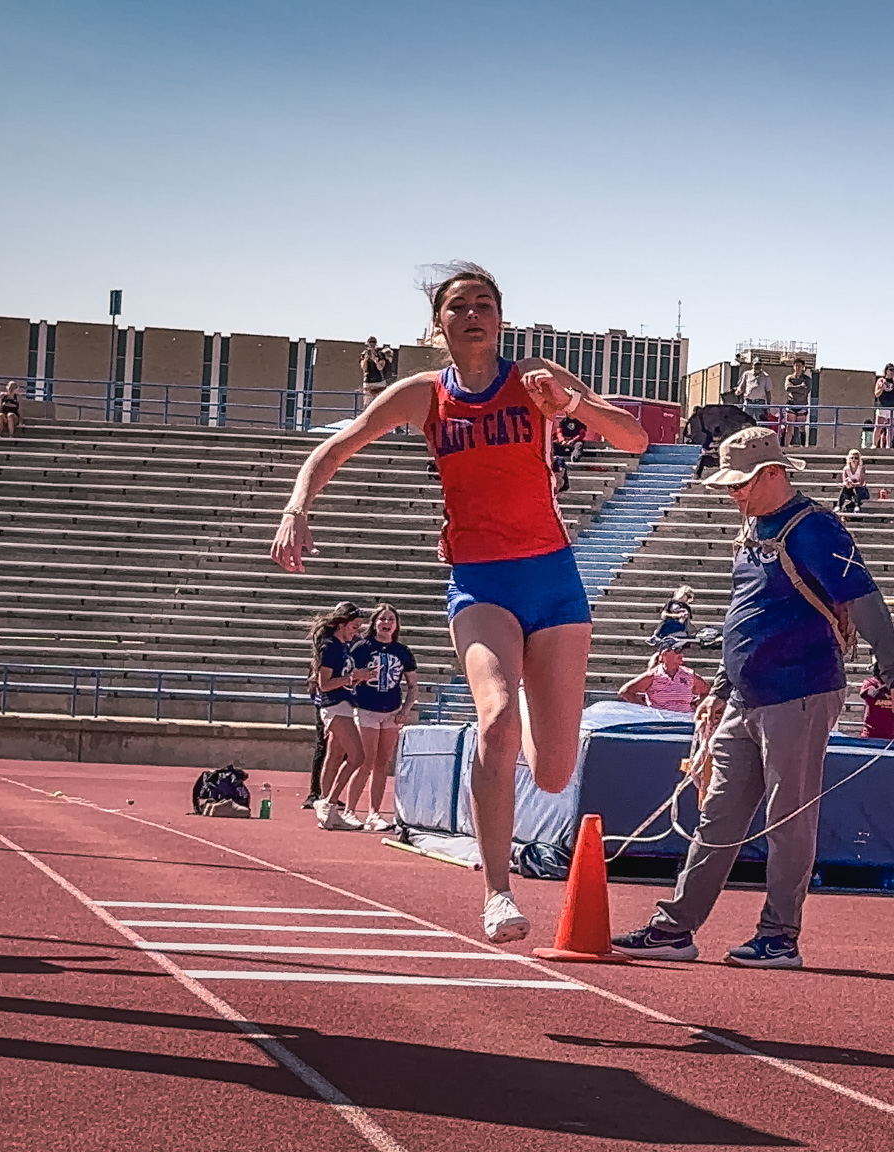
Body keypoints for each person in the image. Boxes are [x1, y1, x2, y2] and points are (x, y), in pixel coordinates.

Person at [271, 261, 649, 942]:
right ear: (438, 324)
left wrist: (573, 408)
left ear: (500, 319)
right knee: (496, 719)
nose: (472, 314)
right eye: (458, 306)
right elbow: (337, 446)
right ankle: (497, 893)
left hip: (554, 578)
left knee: (557, 773)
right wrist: (298, 507)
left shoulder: (535, 377)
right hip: (481, 582)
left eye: (484, 304)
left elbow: (635, 438)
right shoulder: (421, 395)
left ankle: (527, 698)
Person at [612, 427, 894, 968]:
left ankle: (780, 935)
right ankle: (676, 928)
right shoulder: (754, 526)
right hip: (746, 695)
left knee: (789, 819)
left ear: (774, 473)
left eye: (741, 483)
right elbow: (746, 612)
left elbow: (866, 602)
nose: (733, 493)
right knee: (719, 814)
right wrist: (723, 685)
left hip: (799, 691)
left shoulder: (816, 528)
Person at [338, 602, 417, 832]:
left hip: (391, 712)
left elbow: (413, 685)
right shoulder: (362, 647)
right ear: (374, 623)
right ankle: (350, 811)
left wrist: (405, 710)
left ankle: (374, 813)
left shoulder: (402, 651)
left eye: (390, 619)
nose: (386, 623)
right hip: (366, 710)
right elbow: (346, 675)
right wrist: (357, 679)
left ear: (396, 625)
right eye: (382, 619)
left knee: (382, 763)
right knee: (365, 761)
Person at [307, 602, 378, 830]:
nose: (356, 632)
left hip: (345, 703)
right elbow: (324, 684)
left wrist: (358, 678)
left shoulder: (342, 645)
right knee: (357, 757)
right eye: (354, 627)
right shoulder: (330, 646)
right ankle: (328, 803)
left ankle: (328, 809)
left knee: (336, 755)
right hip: (335, 705)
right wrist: (353, 677)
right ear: (342, 624)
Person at [618, 642, 710, 714]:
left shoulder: (689, 675)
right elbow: (625, 691)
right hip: (660, 721)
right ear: (665, 654)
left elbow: (707, 691)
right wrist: (645, 708)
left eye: (681, 651)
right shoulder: (653, 675)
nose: (681, 654)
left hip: (684, 720)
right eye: (677, 651)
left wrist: (698, 705)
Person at [551, 413, 587, 493]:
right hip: (564, 441)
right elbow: (559, 432)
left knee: (579, 445)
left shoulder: (580, 422)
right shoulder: (564, 421)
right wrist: (562, 440)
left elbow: (581, 434)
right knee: (554, 444)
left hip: (575, 441)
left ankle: (575, 458)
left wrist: (572, 441)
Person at [783, 362, 813, 446]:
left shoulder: (807, 379)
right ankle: (786, 446)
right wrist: (800, 387)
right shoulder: (789, 378)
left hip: (802, 405)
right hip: (791, 405)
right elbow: (788, 388)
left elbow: (806, 390)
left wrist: (794, 389)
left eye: (799, 366)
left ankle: (803, 446)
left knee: (801, 427)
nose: (797, 368)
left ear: (803, 367)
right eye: (796, 365)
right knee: (789, 427)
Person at [873, 364, 894, 449]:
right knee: (878, 426)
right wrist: (882, 387)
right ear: (886, 370)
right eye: (891, 370)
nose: (892, 372)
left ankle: (888, 445)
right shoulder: (881, 380)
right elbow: (876, 394)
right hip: (883, 406)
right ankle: (874, 444)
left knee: (891, 428)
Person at [835, 449, 868, 514]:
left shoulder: (861, 469)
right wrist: (848, 483)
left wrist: (853, 484)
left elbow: (861, 483)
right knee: (844, 488)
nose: (853, 460)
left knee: (856, 488)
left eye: (856, 458)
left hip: (861, 490)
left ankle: (857, 506)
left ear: (858, 459)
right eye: (851, 458)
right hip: (850, 489)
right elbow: (844, 481)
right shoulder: (846, 469)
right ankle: (839, 506)